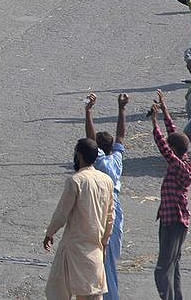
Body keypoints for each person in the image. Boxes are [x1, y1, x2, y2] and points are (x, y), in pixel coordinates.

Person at [43, 138, 115, 300]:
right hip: (95, 250)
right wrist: (104, 243)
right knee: (92, 295)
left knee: (56, 291)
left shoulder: (75, 181)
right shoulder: (106, 181)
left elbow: (62, 213)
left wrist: (50, 233)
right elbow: (111, 217)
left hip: (73, 250)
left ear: (79, 156)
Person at [149, 91, 191, 300]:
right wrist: (165, 109)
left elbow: (164, 145)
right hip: (175, 219)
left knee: (162, 269)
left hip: (172, 221)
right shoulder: (185, 158)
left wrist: (154, 122)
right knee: (174, 265)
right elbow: (173, 133)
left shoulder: (177, 165)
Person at [84, 93, 128, 300]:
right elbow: (121, 136)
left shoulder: (99, 162)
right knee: (109, 259)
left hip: (102, 211)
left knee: (103, 260)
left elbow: (90, 139)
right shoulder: (116, 160)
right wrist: (121, 109)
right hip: (116, 210)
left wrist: (88, 111)